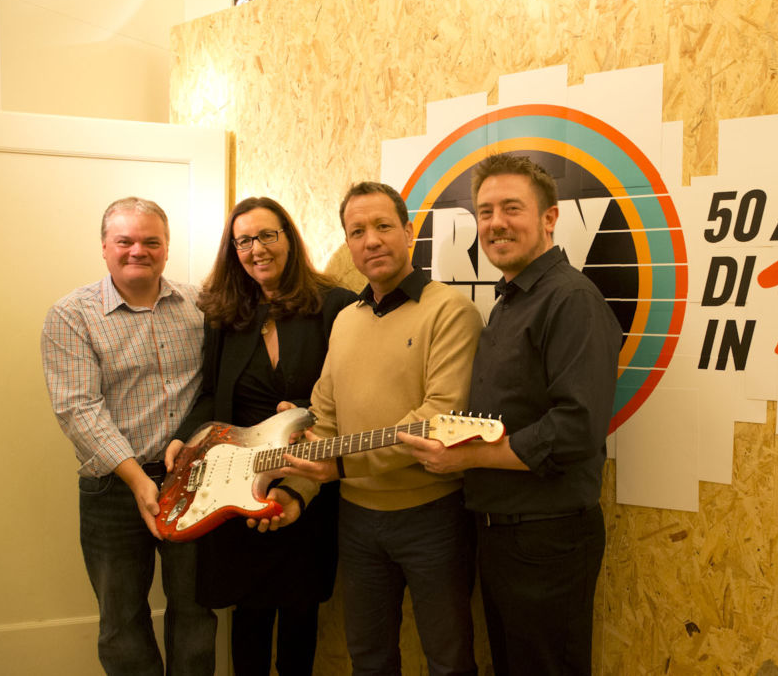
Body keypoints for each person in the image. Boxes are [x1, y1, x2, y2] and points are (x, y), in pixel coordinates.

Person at [399, 153, 623, 676]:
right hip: (502, 535)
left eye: (512, 208)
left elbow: (575, 429)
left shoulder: (570, 300)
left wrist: (468, 459)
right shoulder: (511, 301)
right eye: (485, 211)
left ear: (550, 218)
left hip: (547, 538)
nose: (495, 222)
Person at [281, 182, 483, 676]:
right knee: (368, 659)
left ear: (409, 232)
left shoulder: (450, 311)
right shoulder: (345, 320)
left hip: (433, 516)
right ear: (348, 245)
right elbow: (324, 416)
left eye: (383, 226)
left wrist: (342, 464)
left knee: (449, 659)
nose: (371, 240)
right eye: (357, 231)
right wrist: (297, 489)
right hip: (355, 521)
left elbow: (437, 417)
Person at [165, 197, 356, 675]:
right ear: (234, 250)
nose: (256, 249)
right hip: (237, 485)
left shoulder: (334, 306)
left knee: (299, 616)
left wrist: (309, 416)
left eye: (267, 236)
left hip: (303, 484)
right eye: (244, 240)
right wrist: (186, 437)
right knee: (247, 620)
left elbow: (351, 394)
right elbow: (211, 394)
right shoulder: (226, 313)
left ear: (288, 239)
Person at [40, 197, 217, 675]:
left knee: (196, 611)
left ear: (166, 248)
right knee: (121, 621)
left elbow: (215, 387)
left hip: (195, 483)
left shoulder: (200, 305)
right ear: (104, 247)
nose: (138, 250)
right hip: (113, 490)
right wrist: (139, 479)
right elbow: (78, 409)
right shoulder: (71, 316)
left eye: (150, 241)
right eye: (125, 240)